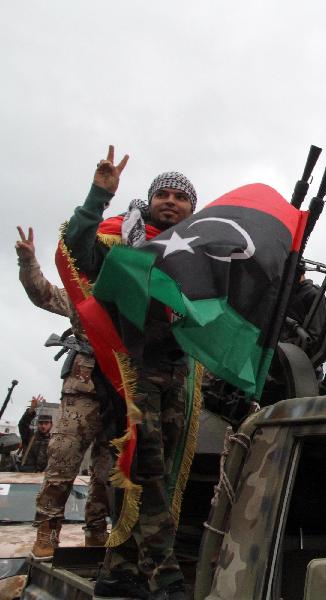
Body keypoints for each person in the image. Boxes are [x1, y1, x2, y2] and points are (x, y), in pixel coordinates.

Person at [63, 146, 197, 600]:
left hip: (176, 375)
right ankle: (165, 575)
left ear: (192, 209)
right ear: (150, 198)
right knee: (149, 468)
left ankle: (119, 569)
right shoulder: (122, 236)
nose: (171, 201)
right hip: (131, 372)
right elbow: (78, 253)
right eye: (164, 193)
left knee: (157, 472)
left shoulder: (198, 251)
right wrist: (97, 196)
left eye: (181, 197)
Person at [15, 225, 113, 559]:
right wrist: (28, 263)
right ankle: (47, 531)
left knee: (106, 472)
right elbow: (42, 293)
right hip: (82, 390)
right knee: (63, 461)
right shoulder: (81, 292)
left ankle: (97, 533)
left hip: (119, 393)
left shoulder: (132, 293)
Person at [18, 396, 52, 472]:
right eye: (41, 423)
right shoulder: (29, 436)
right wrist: (31, 409)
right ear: (37, 424)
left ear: (51, 425)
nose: (43, 426)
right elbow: (22, 424)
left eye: (46, 423)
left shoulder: (54, 441)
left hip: (43, 477)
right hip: (25, 476)